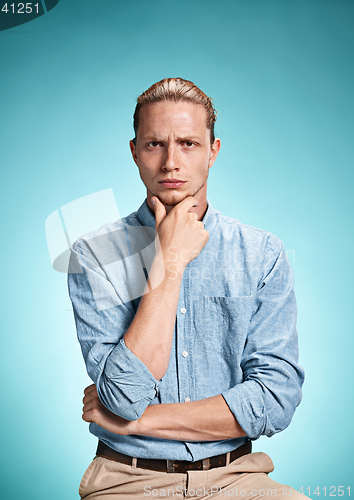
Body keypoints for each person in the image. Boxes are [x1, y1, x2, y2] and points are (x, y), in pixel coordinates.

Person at [68, 78, 306, 499]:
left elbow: (274, 400)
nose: (171, 163)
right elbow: (123, 396)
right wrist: (170, 261)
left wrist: (140, 421)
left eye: (189, 144)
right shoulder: (95, 254)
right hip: (128, 481)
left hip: (239, 479)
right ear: (135, 153)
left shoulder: (262, 253)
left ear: (213, 152)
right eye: (155, 144)